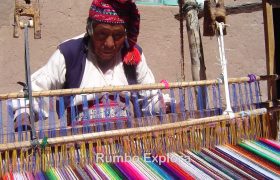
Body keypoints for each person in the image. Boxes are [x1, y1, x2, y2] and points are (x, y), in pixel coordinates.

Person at [12, 0, 171, 131]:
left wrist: (167, 106)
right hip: (82, 146)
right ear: (90, 29)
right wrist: (23, 116)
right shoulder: (69, 54)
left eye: (117, 35)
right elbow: (35, 91)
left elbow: (151, 98)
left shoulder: (132, 55)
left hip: (125, 143)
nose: (109, 44)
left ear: (125, 34)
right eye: (102, 34)